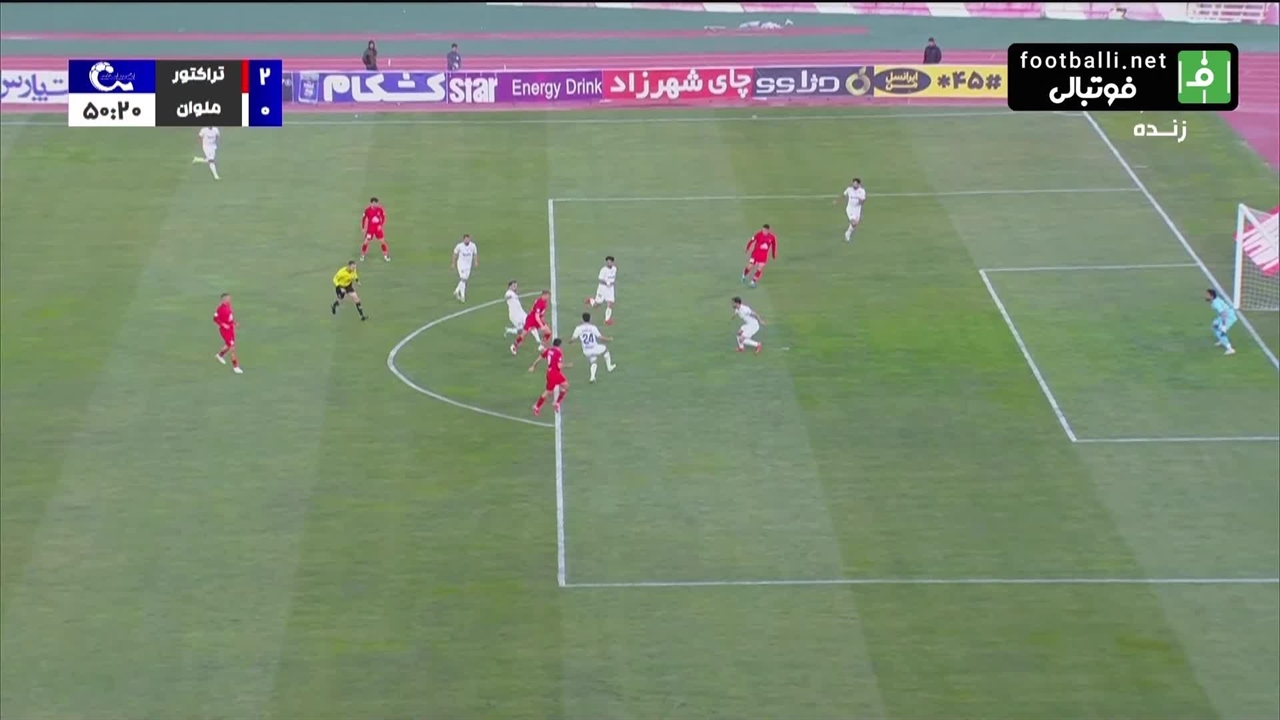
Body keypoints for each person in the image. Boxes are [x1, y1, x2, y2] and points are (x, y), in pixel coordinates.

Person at [569, 311, 616, 383]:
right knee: (605, 349)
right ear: (590, 319)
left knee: (593, 361)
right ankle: (609, 367)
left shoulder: (578, 328)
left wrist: (570, 342)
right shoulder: (593, 327)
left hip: (586, 350)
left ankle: (592, 377)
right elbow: (600, 338)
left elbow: (573, 339)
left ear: (582, 319)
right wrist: (609, 339)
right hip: (594, 347)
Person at [529, 338, 571, 416]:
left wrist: (533, 366)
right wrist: (567, 365)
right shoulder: (558, 353)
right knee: (550, 391)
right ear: (559, 345)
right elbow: (559, 365)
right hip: (555, 374)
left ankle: (554, 403)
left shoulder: (548, 350)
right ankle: (538, 406)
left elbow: (540, 357)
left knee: (564, 386)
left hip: (550, 373)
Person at [512, 290, 552, 354]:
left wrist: (543, 321)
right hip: (531, 320)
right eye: (548, 296)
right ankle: (514, 346)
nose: (548, 297)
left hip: (538, 319)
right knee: (523, 334)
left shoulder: (544, 301)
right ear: (544, 295)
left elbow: (541, 314)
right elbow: (536, 316)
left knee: (548, 332)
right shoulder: (540, 302)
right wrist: (541, 325)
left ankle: (541, 346)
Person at [213, 293, 243, 373]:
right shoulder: (220, 309)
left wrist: (234, 323)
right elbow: (215, 319)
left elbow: (229, 317)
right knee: (232, 348)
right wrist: (223, 324)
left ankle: (219, 355)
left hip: (231, 329)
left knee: (228, 345)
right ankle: (235, 367)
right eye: (228, 298)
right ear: (224, 299)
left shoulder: (228, 306)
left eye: (229, 298)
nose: (230, 299)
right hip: (225, 331)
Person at [585, 255, 617, 325]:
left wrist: (612, 283)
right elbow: (600, 280)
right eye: (607, 262)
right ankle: (591, 300)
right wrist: (607, 283)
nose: (608, 263)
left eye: (610, 262)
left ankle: (607, 320)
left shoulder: (614, 269)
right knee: (596, 305)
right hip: (602, 289)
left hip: (610, 289)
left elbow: (613, 278)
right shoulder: (603, 270)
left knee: (610, 303)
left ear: (612, 262)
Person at [1207, 288, 1237, 355]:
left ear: (1212, 296)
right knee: (1214, 325)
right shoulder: (1215, 300)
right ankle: (1222, 340)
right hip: (1224, 315)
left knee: (1220, 332)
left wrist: (1223, 325)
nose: (1206, 296)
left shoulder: (1215, 303)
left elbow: (1223, 314)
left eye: (1208, 295)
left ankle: (1230, 349)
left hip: (1229, 317)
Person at [360, 197, 389, 262]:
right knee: (366, 242)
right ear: (371, 203)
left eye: (376, 203)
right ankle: (362, 255)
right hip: (370, 229)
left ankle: (385, 256)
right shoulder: (367, 210)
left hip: (378, 229)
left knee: (382, 242)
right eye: (373, 203)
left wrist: (381, 225)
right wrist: (363, 227)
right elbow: (363, 218)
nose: (375, 204)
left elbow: (383, 217)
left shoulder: (380, 209)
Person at [838, 178, 867, 242]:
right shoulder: (849, 189)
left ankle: (847, 233)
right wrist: (838, 201)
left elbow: (863, 201)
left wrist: (861, 201)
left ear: (859, 184)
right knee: (853, 223)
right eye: (853, 183)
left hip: (857, 209)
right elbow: (843, 195)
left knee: (855, 224)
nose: (854, 185)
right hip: (850, 208)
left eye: (856, 184)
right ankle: (847, 234)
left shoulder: (862, 191)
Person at [451, 234, 478, 303]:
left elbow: (475, 254)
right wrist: (453, 263)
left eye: (468, 239)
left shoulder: (473, 246)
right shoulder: (459, 246)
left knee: (464, 280)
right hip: (461, 265)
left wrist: (475, 261)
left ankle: (456, 291)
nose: (467, 240)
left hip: (468, 266)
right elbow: (454, 254)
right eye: (466, 239)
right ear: (463, 240)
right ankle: (463, 297)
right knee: (463, 278)